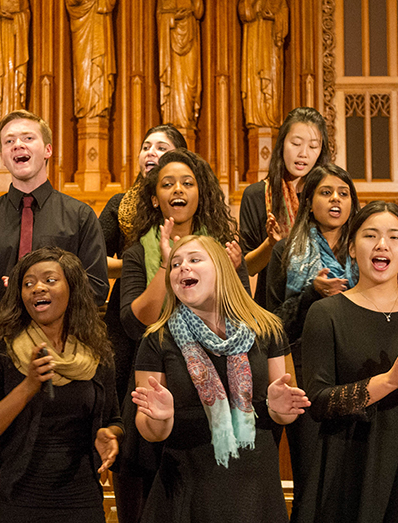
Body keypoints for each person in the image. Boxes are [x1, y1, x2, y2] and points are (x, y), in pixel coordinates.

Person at [0, 109, 108, 521]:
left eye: (28, 138)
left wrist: (51, 303)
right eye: (9, 141)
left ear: (48, 149)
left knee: (61, 464)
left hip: (66, 361)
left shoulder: (79, 216)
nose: (18, 145)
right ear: (2, 155)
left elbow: (96, 287)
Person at [295, 201, 398, 523]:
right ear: (352, 248)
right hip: (348, 470)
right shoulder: (326, 313)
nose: (382, 245)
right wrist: (389, 381)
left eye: (394, 237)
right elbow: (319, 402)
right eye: (370, 235)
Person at [131, 235, 307, 522]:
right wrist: (161, 418)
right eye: (175, 264)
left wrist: (279, 409)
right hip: (186, 490)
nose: (182, 268)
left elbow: (285, 410)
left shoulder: (267, 329)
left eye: (194, 260)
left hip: (254, 491)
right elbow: (150, 430)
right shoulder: (157, 338)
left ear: (222, 268)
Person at [114, 147, 243, 523]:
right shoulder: (140, 251)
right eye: (167, 184)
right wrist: (168, 261)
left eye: (187, 182)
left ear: (200, 192)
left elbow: (243, 320)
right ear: (155, 198)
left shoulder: (223, 251)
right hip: (160, 375)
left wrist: (232, 272)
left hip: (216, 385)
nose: (178, 190)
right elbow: (136, 323)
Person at [0, 248, 122, 523]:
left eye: (49, 280)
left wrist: (110, 434)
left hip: (81, 501)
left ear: (72, 289)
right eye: (28, 283)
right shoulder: (1, 349)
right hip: (15, 501)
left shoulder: (96, 352)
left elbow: (115, 420)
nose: (37, 288)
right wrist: (27, 387)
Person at [265, 163, 359, 506]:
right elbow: (271, 323)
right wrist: (310, 294)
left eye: (343, 193)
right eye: (326, 192)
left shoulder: (365, 251)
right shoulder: (286, 250)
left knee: (350, 468)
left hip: (355, 366)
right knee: (310, 467)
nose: (335, 199)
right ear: (308, 202)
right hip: (303, 367)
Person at [99, 124, 187, 409]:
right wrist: (137, 267)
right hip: (128, 309)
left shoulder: (188, 203)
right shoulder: (120, 204)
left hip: (182, 306)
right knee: (123, 394)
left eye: (162, 148)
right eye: (146, 146)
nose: (151, 152)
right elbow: (94, 259)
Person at [239, 106, 330, 310]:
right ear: (282, 144)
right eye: (296, 143)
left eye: (313, 146)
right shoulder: (257, 195)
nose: (303, 153)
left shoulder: (330, 196)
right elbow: (248, 268)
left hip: (322, 306)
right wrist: (271, 245)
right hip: (272, 308)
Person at [66, 0, 117, 119]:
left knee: (100, 65)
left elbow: (110, 1)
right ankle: (86, 108)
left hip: (100, 28)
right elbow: (70, 1)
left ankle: (100, 107)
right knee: (83, 67)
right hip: (82, 28)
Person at [238, 0, 289, 129]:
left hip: (270, 40)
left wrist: (275, 17)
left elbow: (284, 14)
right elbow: (244, 13)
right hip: (253, 38)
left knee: (270, 76)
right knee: (254, 76)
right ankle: (255, 118)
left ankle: (270, 119)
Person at [157, 0, 204, 132]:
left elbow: (199, 14)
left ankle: (188, 121)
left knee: (189, 81)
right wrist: (174, 17)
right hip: (171, 46)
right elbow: (161, 16)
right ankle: (172, 122)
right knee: (174, 79)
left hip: (190, 42)